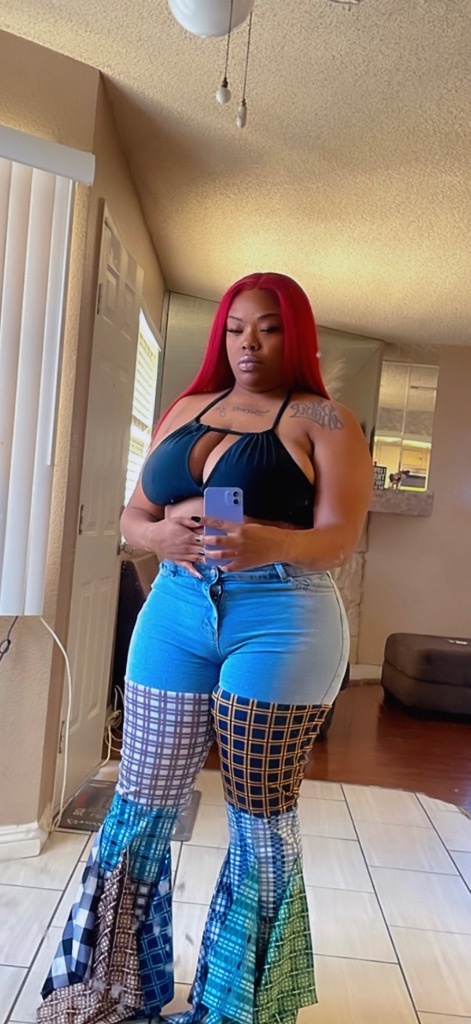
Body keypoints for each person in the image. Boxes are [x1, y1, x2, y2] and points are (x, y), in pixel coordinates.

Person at [39, 272, 373, 1024]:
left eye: (269, 328)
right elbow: (134, 513)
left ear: (297, 336)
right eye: (235, 328)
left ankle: (238, 1007)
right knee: (141, 800)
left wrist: (267, 542)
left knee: (259, 815)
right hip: (177, 606)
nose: (249, 343)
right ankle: (112, 988)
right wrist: (155, 535)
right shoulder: (186, 409)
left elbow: (338, 539)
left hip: (281, 615)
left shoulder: (325, 417)